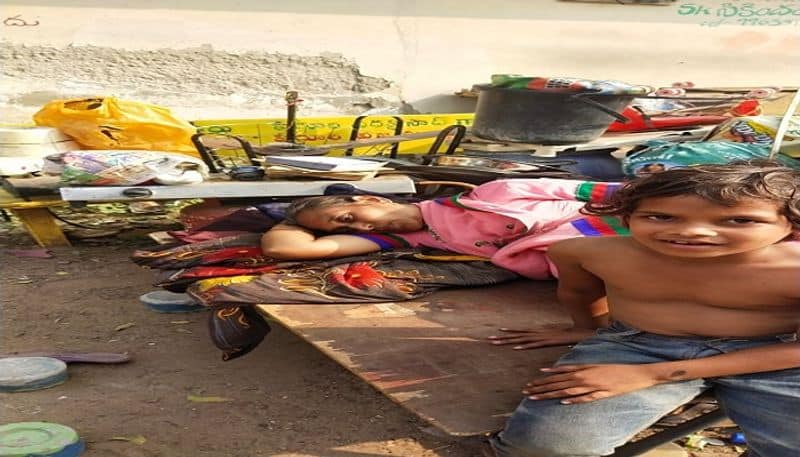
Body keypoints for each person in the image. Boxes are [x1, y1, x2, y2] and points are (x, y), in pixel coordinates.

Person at [485, 161, 800, 457]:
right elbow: (579, 291)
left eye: (740, 220)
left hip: (772, 353)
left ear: (790, 226)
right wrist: (587, 328)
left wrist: (652, 374)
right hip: (637, 344)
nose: (691, 232)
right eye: (661, 217)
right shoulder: (585, 253)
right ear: (626, 218)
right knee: (543, 447)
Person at [261, 178, 625, 280]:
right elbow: (286, 249)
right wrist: (291, 216)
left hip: (615, 228)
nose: (363, 225)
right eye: (348, 228)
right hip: (582, 264)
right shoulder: (402, 239)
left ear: (373, 198)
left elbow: (619, 193)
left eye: (348, 217)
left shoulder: (499, 191)